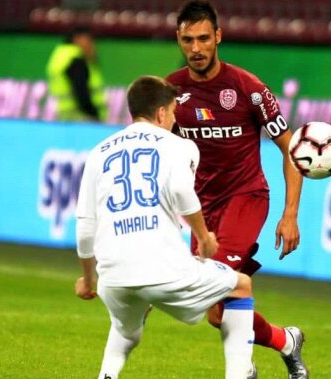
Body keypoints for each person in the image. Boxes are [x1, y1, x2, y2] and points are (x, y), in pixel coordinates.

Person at [74, 75, 256, 379]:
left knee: (127, 331)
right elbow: (183, 192)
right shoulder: (179, 146)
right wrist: (203, 236)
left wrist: (89, 281)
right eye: (173, 112)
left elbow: (85, 228)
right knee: (240, 286)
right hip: (164, 269)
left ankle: (106, 375)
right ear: (161, 113)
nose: (174, 119)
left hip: (113, 277)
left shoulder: (99, 152)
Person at [167, 1, 307, 378]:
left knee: (220, 286)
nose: (196, 48)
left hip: (246, 199)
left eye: (202, 39)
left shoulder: (248, 89)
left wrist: (290, 213)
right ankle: (285, 340)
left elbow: (289, 148)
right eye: (187, 40)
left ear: (218, 37)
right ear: (179, 40)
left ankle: (241, 369)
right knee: (216, 312)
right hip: (202, 209)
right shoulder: (172, 92)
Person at [46, 27, 107, 122]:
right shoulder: (75, 59)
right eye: (89, 41)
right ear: (77, 39)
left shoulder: (60, 55)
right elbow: (80, 90)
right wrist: (93, 114)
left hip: (64, 113)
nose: (92, 45)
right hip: (79, 116)